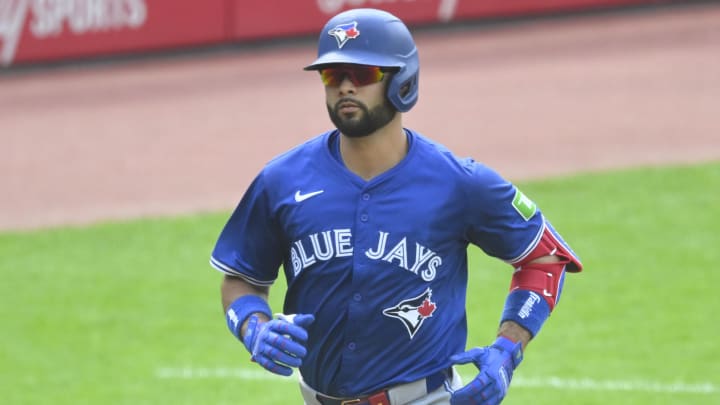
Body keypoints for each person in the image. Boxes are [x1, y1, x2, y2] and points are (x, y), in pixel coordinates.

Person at [210, 7, 582, 405]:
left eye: (364, 74)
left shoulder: (459, 182)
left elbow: (545, 259)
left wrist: (508, 350)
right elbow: (242, 278)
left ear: (402, 80)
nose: (345, 87)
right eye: (333, 75)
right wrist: (253, 327)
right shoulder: (282, 180)